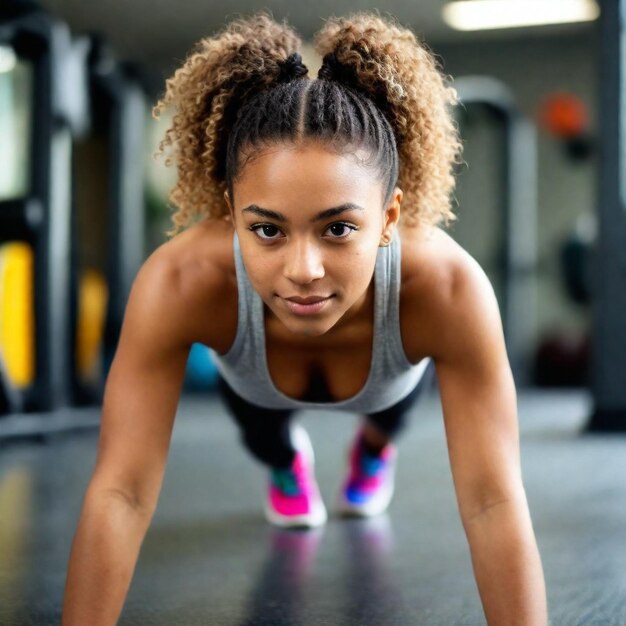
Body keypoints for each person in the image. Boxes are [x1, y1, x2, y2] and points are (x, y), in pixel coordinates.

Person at [62, 12, 548, 625]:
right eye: (266, 229)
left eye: (339, 228)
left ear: (390, 218)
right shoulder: (181, 281)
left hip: (386, 387)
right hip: (258, 387)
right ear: (231, 210)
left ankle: (373, 452)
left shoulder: (447, 288)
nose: (304, 270)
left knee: (387, 418)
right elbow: (122, 492)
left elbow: (491, 501)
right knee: (265, 431)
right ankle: (285, 461)